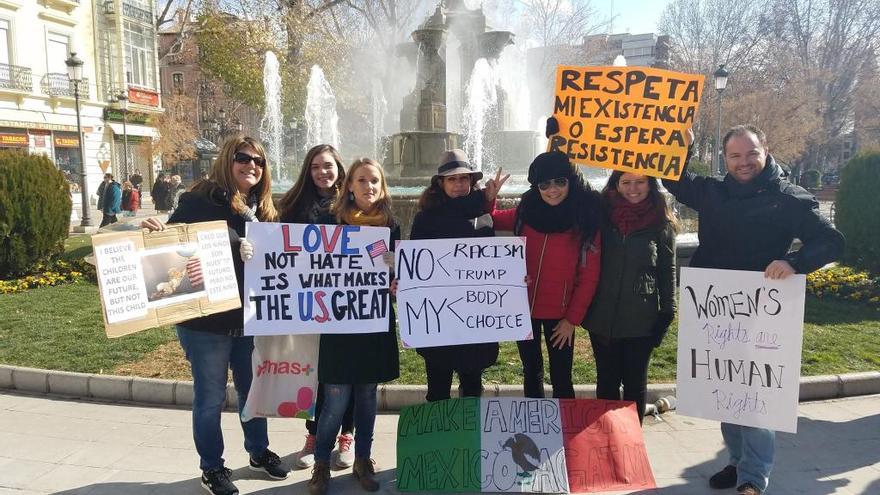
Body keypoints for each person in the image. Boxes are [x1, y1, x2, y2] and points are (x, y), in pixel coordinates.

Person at [663, 125, 844, 495]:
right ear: (725, 158)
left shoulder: (789, 197)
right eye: (735, 156)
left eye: (751, 154)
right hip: (716, 311)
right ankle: (736, 461)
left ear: (765, 151)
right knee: (728, 387)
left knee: (758, 393)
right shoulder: (714, 192)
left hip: (764, 313)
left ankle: (753, 477)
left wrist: (795, 261)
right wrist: (684, 146)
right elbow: (675, 180)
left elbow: (830, 241)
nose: (744, 162)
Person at [140, 136, 289, 495]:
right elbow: (174, 240)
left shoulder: (263, 208)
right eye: (243, 158)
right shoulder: (200, 198)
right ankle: (212, 467)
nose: (252, 165)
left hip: (248, 319)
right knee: (210, 397)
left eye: (259, 161)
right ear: (228, 160)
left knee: (253, 391)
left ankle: (257, 451)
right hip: (206, 324)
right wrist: (158, 229)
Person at [307, 158, 400, 495]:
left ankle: (363, 459)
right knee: (334, 400)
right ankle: (320, 463)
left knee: (366, 398)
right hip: (338, 326)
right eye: (362, 180)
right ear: (349, 186)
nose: (369, 187)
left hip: (373, 324)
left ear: (382, 185)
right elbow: (308, 263)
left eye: (374, 180)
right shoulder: (329, 221)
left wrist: (395, 282)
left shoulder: (391, 225)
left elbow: (392, 267)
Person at [490, 151, 603, 398]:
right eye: (544, 184)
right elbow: (494, 220)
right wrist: (490, 198)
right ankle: (536, 428)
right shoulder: (525, 212)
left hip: (561, 317)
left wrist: (572, 320)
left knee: (562, 377)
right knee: (531, 372)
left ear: (570, 182)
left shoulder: (584, 219)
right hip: (524, 311)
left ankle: (564, 434)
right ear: (536, 186)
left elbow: (589, 277)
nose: (553, 190)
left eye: (560, 182)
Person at [276, 144, 357, 470]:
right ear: (308, 172)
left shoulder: (355, 206)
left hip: (349, 304)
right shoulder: (295, 207)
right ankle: (314, 435)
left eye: (328, 166)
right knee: (318, 373)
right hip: (310, 304)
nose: (323, 172)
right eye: (315, 167)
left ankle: (347, 436)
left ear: (339, 167)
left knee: (351, 371)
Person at [409, 149, 508, 402]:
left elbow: (495, 262)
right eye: (452, 179)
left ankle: (470, 440)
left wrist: (511, 277)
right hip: (439, 317)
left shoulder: (483, 213)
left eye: (464, 178)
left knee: (472, 389)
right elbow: (415, 266)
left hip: (473, 315)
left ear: (471, 182)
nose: (459, 184)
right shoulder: (425, 219)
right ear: (440, 183)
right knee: (438, 389)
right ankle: (436, 442)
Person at [583, 171, 678, 424]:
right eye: (626, 182)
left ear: (650, 184)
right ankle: (607, 437)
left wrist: (667, 311)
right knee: (607, 382)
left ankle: (631, 443)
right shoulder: (600, 215)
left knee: (635, 384)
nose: (633, 188)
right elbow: (577, 184)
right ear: (616, 184)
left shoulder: (661, 222)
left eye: (640, 182)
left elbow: (667, 270)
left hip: (641, 318)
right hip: (602, 317)